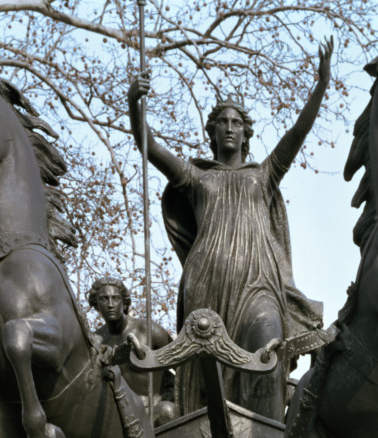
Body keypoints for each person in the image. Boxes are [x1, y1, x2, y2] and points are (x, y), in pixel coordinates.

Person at [127, 37, 333, 421]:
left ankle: (268, 428)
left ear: (246, 133)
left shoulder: (264, 174)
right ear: (212, 130)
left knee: (268, 345)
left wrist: (321, 85)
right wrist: (133, 102)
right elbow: (148, 145)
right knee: (208, 378)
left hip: (258, 284)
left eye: (236, 123)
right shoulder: (195, 178)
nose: (229, 128)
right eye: (222, 122)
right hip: (207, 283)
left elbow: (296, 136)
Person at [88, 276, 177, 425]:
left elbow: (180, 364)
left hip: (154, 409)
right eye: (104, 299)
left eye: (115, 298)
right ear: (96, 305)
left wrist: (171, 394)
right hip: (119, 415)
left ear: (124, 303)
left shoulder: (148, 330)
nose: (110, 304)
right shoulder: (96, 342)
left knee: (167, 410)